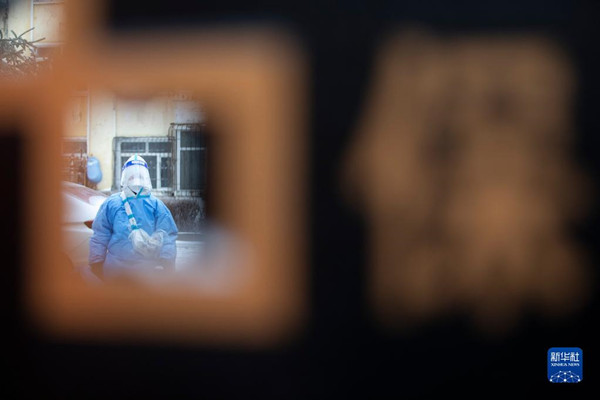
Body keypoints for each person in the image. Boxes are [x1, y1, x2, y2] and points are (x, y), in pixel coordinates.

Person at [89, 154, 178, 280]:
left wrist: (165, 262)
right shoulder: (112, 203)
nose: (136, 180)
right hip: (119, 274)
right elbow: (101, 234)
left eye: (139, 176)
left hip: (145, 275)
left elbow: (167, 235)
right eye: (132, 176)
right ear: (126, 178)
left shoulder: (156, 205)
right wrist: (97, 261)